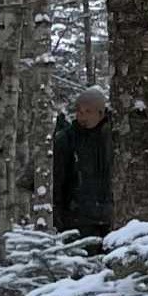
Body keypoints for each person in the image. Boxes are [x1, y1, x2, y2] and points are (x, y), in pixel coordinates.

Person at [52, 85, 116, 240]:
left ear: (101, 113)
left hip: (110, 221)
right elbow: (55, 179)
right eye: (79, 112)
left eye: (88, 111)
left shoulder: (113, 137)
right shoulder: (67, 139)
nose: (82, 116)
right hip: (76, 221)